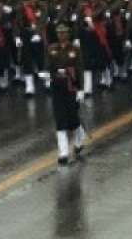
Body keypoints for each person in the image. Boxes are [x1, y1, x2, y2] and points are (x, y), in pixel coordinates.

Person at [44, 23, 87, 165]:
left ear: (68, 34)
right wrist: (46, 78)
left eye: (64, 33)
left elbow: (79, 69)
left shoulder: (75, 49)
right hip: (57, 87)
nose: (62, 35)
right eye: (59, 33)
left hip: (71, 86)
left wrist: (80, 89)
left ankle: (79, 140)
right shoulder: (52, 49)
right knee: (60, 120)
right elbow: (48, 66)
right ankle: (63, 152)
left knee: (73, 118)